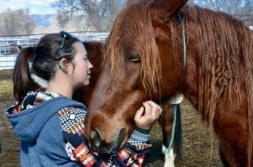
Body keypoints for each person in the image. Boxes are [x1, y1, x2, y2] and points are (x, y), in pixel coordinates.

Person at [5, 31, 162, 167]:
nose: (91, 65)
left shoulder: (31, 106)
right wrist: (141, 132)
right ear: (65, 64)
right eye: (85, 59)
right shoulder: (70, 119)